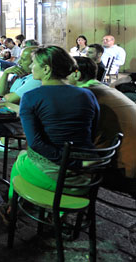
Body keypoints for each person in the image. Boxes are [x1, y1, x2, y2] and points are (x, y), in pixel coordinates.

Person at [7, 46, 99, 201]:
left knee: (20, 161)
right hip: (89, 175)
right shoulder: (87, 94)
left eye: (34, 63)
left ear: (46, 69)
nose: (30, 66)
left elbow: (35, 143)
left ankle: (10, 210)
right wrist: (79, 161)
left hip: (61, 175)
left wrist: (69, 162)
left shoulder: (31, 97)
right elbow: (93, 130)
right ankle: (57, 214)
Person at [68, 57, 136, 194]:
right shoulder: (103, 88)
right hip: (127, 162)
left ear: (76, 74)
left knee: (52, 161)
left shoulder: (86, 95)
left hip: (124, 171)